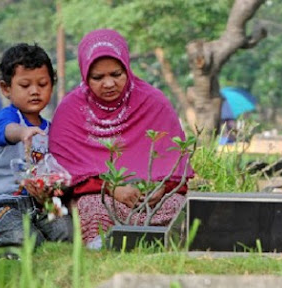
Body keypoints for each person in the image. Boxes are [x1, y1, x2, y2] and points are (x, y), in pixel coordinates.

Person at [49, 29, 194, 249]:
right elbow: (65, 175)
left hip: (151, 199)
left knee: (177, 205)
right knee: (92, 207)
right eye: (98, 77)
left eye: (116, 74)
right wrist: (111, 189)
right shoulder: (71, 111)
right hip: (102, 197)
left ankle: (166, 242)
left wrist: (161, 188)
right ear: (85, 75)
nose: (108, 84)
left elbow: (175, 165)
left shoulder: (153, 102)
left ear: (127, 68)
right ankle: (104, 246)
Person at [0, 43, 73, 249]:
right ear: (6, 88)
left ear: (51, 85)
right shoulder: (6, 118)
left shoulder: (51, 130)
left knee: (68, 231)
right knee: (27, 238)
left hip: (41, 203)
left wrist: (54, 190)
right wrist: (23, 132)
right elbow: (7, 131)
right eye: (25, 86)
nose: (35, 91)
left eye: (42, 84)